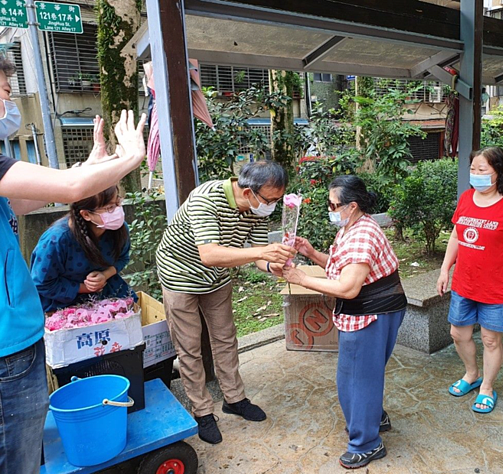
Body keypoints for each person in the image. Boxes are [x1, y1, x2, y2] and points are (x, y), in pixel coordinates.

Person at [0, 59, 146, 474]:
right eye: (6, 90)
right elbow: (68, 189)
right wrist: (128, 157)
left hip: (18, 340)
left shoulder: (115, 229)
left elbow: (32, 197)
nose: (9, 99)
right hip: (10, 347)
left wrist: (94, 167)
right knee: (17, 456)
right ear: (85, 215)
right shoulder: (58, 240)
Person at [155, 161, 296, 445]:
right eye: (270, 200)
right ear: (247, 193)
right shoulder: (206, 199)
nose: (272, 206)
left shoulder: (258, 208)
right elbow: (209, 254)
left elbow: (257, 256)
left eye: (277, 200)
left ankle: (234, 398)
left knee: (225, 338)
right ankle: (202, 411)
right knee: (189, 347)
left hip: (217, 279)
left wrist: (272, 267)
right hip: (179, 275)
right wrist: (263, 250)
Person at [282, 175, 407, 470]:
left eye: (332, 204)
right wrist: (311, 253)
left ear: (351, 206)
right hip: (372, 310)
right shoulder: (352, 226)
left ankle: (367, 444)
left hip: (370, 313)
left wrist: (303, 278)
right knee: (362, 375)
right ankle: (374, 418)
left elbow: (349, 287)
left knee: (356, 381)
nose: (330, 208)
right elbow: (342, 267)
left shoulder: (363, 234)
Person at [436, 146, 503, 414]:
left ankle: (487, 387)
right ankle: (471, 374)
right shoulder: (466, 198)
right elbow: (456, 236)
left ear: (499, 172)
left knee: (490, 340)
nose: (475, 175)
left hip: (498, 286)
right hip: (465, 282)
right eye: (472, 169)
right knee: (458, 333)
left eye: (482, 170)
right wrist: (445, 270)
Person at [30, 185, 137, 313]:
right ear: (86, 214)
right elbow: (42, 283)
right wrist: (85, 287)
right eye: (109, 208)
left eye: (118, 202)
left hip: (108, 296)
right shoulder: (56, 240)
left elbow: (123, 258)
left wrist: (104, 275)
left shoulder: (119, 228)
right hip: (63, 306)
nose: (117, 211)